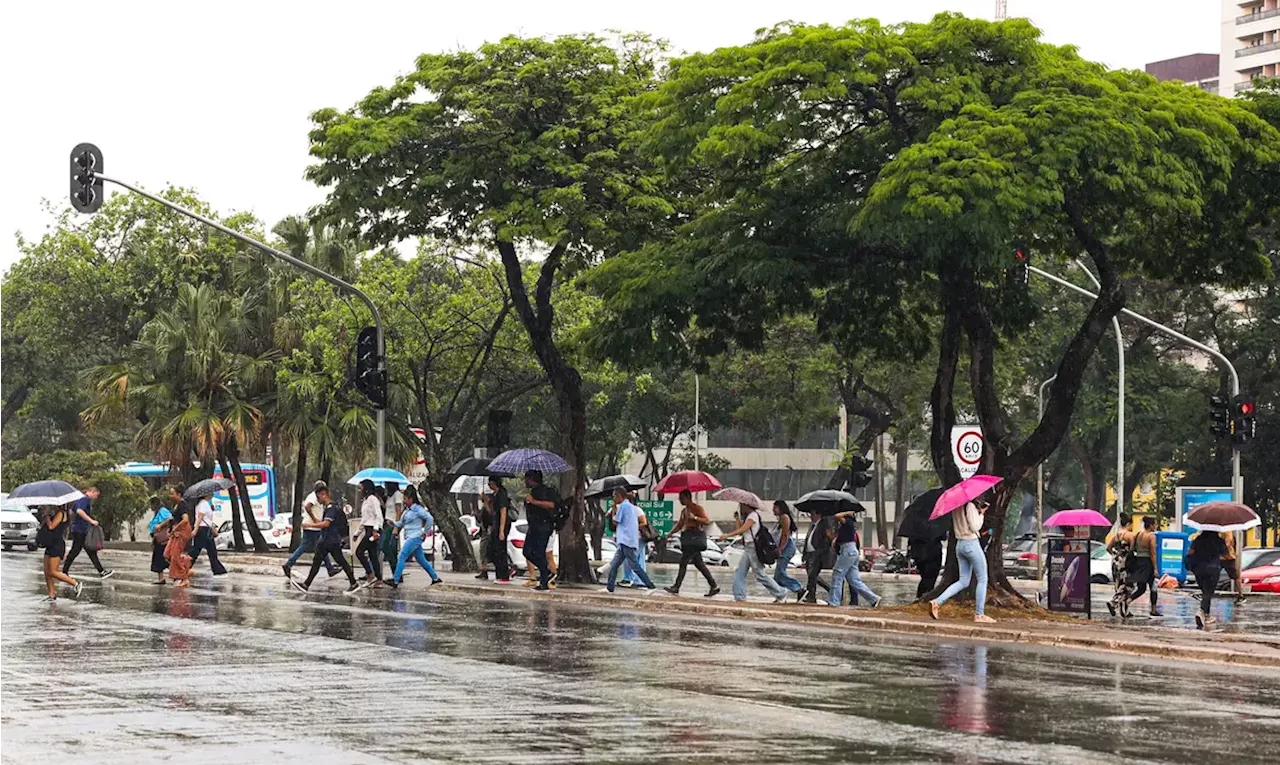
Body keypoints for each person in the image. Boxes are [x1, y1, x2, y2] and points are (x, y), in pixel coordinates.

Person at [930, 498, 994, 623]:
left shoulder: (957, 507)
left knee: (963, 581)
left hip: (960, 545)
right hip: (971, 543)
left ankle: (937, 602)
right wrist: (981, 514)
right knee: (982, 579)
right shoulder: (970, 506)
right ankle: (979, 614)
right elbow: (975, 526)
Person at [294, 483, 361, 595]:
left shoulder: (331, 508)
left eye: (318, 497)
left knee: (338, 561)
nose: (318, 500)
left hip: (330, 540)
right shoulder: (331, 507)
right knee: (321, 561)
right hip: (328, 539)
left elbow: (326, 524)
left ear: (323, 494)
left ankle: (353, 583)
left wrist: (309, 525)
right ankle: (306, 584)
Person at [720, 502, 790, 603]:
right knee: (740, 571)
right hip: (748, 547)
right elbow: (741, 529)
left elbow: (742, 529)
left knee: (759, 574)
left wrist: (726, 535)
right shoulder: (748, 516)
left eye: (742, 505)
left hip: (753, 548)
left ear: (747, 505)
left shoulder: (753, 516)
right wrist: (737, 518)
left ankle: (781, 592)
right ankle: (739, 596)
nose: (741, 507)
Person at [663, 489, 719, 597]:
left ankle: (676, 586)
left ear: (687, 498)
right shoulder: (684, 511)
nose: (680, 500)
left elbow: (706, 520)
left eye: (681, 498)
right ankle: (714, 586)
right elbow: (679, 525)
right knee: (699, 564)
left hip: (695, 538)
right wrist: (669, 534)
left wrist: (695, 518)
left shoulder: (697, 508)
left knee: (683, 562)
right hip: (689, 539)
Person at [387, 485, 444, 587]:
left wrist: (425, 532)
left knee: (402, 555)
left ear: (411, 499)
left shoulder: (418, 509)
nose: (404, 501)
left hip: (415, 537)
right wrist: (393, 523)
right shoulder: (407, 511)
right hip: (410, 537)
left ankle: (395, 580)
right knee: (422, 560)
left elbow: (429, 519)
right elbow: (401, 523)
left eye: (405, 499)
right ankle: (435, 578)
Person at [283, 481, 340, 580]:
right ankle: (288, 564)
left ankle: (330, 568)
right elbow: (307, 506)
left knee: (321, 547)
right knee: (309, 546)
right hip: (312, 527)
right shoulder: (314, 497)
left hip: (315, 526)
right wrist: (314, 520)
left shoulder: (315, 496)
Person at [604, 487, 657, 592]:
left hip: (626, 541)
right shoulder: (631, 507)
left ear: (619, 496)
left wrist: (614, 509)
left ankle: (650, 586)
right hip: (626, 540)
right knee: (614, 565)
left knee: (635, 565)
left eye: (614, 496)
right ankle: (609, 588)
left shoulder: (623, 507)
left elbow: (615, 522)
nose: (613, 498)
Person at [827, 509, 881, 608]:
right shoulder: (846, 528)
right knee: (854, 580)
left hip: (848, 550)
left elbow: (837, 515)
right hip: (850, 551)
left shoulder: (848, 522)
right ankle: (873, 598)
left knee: (837, 574)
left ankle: (834, 601)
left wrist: (847, 513)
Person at [62, 486, 113, 579]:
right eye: (96, 495)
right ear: (92, 492)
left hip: (79, 529)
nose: (96, 497)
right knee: (76, 551)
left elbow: (71, 512)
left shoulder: (79, 499)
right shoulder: (85, 499)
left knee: (90, 551)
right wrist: (91, 521)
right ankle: (64, 571)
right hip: (80, 530)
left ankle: (101, 571)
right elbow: (79, 511)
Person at [522, 470, 558, 591]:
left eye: (526, 479)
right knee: (527, 551)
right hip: (533, 526)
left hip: (544, 526)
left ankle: (544, 581)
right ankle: (546, 572)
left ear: (532, 480)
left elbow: (552, 505)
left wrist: (533, 502)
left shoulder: (546, 491)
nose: (525, 482)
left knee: (540, 552)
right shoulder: (533, 492)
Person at [38, 505, 81, 602]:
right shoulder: (57, 513)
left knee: (53, 571)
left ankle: (75, 583)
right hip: (51, 543)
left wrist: (47, 516)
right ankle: (51, 594)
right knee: (46, 571)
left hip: (57, 545)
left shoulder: (61, 513)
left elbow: (51, 526)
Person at [1188, 530, 1228, 630]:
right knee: (1208, 592)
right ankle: (1201, 611)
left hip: (1199, 569)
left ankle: (1206, 615)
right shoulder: (1219, 541)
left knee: (1205, 592)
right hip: (1213, 569)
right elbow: (1226, 555)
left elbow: (1190, 552)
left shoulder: (1198, 539)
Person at [1123, 516, 1160, 617]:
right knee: (1153, 587)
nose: (1155, 526)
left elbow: (1133, 548)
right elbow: (1153, 553)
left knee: (1141, 588)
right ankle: (1153, 609)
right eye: (1154, 524)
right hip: (1148, 563)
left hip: (1139, 562)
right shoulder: (1151, 537)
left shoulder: (1138, 534)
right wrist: (1155, 568)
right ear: (1151, 525)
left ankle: (1129, 600)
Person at [187, 488, 228, 576]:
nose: (212, 493)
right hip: (202, 530)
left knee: (211, 550)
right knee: (196, 550)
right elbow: (200, 518)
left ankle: (218, 570)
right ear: (206, 494)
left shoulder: (204, 504)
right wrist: (195, 530)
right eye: (210, 492)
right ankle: (184, 567)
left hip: (206, 529)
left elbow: (205, 518)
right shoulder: (203, 504)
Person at [800, 510, 834, 603]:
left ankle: (811, 596)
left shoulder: (824, 524)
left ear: (819, 514)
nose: (811, 516)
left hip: (817, 553)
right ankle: (829, 589)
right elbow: (808, 540)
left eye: (813, 514)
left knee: (812, 574)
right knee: (812, 576)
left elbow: (829, 538)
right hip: (809, 553)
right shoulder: (812, 526)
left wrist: (821, 550)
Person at [771, 500, 804, 596]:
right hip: (785, 546)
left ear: (780, 508)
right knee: (778, 575)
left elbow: (785, 535)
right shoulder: (781, 519)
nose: (773, 510)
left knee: (780, 573)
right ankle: (782, 593)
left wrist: (780, 549)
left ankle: (799, 589)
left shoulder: (785, 517)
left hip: (787, 547)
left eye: (775, 508)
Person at [1106, 515, 1137, 617]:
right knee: (1127, 586)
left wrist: (1116, 556)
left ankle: (1124, 611)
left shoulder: (1116, 535)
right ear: (1128, 524)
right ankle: (1113, 602)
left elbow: (1108, 548)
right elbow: (1132, 549)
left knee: (1118, 584)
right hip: (1126, 563)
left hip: (1115, 562)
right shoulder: (1130, 535)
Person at [355, 480, 384, 585]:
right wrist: (357, 532)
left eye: (361, 487)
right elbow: (364, 519)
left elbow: (378, 516)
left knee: (359, 552)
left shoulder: (373, 500)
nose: (360, 490)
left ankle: (370, 573)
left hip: (372, 530)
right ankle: (379, 579)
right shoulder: (365, 501)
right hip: (367, 528)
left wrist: (376, 530)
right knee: (372, 555)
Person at [619, 497, 651, 587]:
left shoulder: (637, 510)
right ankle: (640, 580)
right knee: (639, 559)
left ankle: (628, 578)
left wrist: (633, 526)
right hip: (632, 538)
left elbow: (644, 522)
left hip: (639, 538)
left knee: (629, 557)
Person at [486, 477, 514, 582]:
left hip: (502, 525)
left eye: (490, 483)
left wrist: (501, 530)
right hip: (496, 524)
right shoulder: (495, 495)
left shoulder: (502, 494)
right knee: (494, 549)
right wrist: (486, 501)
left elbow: (503, 512)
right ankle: (500, 574)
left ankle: (504, 575)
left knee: (500, 549)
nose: (489, 485)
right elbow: (493, 512)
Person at [165, 496, 195, 587]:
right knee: (167, 554)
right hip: (175, 531)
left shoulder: (182, 504)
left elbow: (185, 520)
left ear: (178, 494)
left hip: (181, 532)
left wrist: (176, 529)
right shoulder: (177, 505)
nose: (170, 495)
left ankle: (184, 577)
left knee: (175, 555)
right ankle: (185, 569)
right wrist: (170, 529)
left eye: (172, 493)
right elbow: (175, 519)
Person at [909, 535, 944, 601]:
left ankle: (920, 596)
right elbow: (943, 537)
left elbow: (911, 541)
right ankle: (925, 596)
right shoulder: (936, 527)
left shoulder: (914, 528)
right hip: (932, 554)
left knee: (925, 577)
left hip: (919, 554)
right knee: (930, 578)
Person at [148, 496, 174, 585]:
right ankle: (161, 578)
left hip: (163, 540)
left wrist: (160, 525)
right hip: (157, 540)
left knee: (166, 558)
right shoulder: (157, 513)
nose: (151, 507)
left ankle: (177, 576)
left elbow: (170, 518)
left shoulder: (163, 510)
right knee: (158, 559)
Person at [380, 482, 402, 579]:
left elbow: (398, 511)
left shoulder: (397, 494)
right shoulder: (390, 496)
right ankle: (397, 575)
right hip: (387, 523)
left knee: (386, 546)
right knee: (391, 550)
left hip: (393, 524)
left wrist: (396, 526)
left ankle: (396, 572)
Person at [1222, 530, 1245, 605]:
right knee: (1211, 575)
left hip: (1228, 557)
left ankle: (1241, 595)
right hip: (1221, 557)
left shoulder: (1228, 531)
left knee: (1235, 576)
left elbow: (1228, 543)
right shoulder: (1219, 531)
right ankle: (1206, 594)